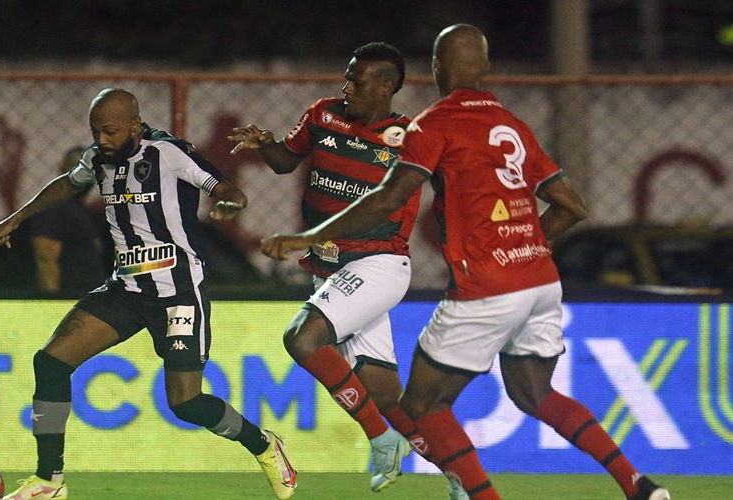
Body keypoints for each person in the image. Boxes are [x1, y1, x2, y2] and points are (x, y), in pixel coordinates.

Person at [260, 25, 670, 500]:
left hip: (483, 285)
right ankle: (638, 484)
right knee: (538, 395)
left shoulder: (431, 125)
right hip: (538, 278)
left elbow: (388, 196)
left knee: (422, 403)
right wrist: (520, 243)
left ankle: (470, 489)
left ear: (436, 69)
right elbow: (572, 206)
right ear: (488, 68)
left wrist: (305, 237)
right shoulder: (511, 124)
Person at [0, 88, 297, 500]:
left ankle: (264, 445)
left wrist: (228, 204)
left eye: (111, 131)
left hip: (178, 293)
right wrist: (16, 219)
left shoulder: (167, 153)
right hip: (126, 288)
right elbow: (67, 184)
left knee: (185, 403)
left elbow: (224, 188)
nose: (102, 140)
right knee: (50, 363)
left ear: (134, 125)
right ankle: (49, 480)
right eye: (95, 131)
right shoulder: (97, 159)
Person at [228, 42, 465, 498]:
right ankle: (460, 477)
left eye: (357, 81)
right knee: (384, 394)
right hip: (330, 268)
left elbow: (449, 193)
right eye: (347, 77)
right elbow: (285, 163)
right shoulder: (322, 114)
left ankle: (381, 439)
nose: (346, 87)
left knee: (302, 338)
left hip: (378, 262)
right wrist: (265, 145)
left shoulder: (410, 136)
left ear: (386, 87)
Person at [27, 146, 107, 293]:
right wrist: (51, 305)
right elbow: (45, 258)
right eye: (77, 167)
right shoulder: (55, 206)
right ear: (62, 169)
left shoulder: (80, 209)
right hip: (66, 303)